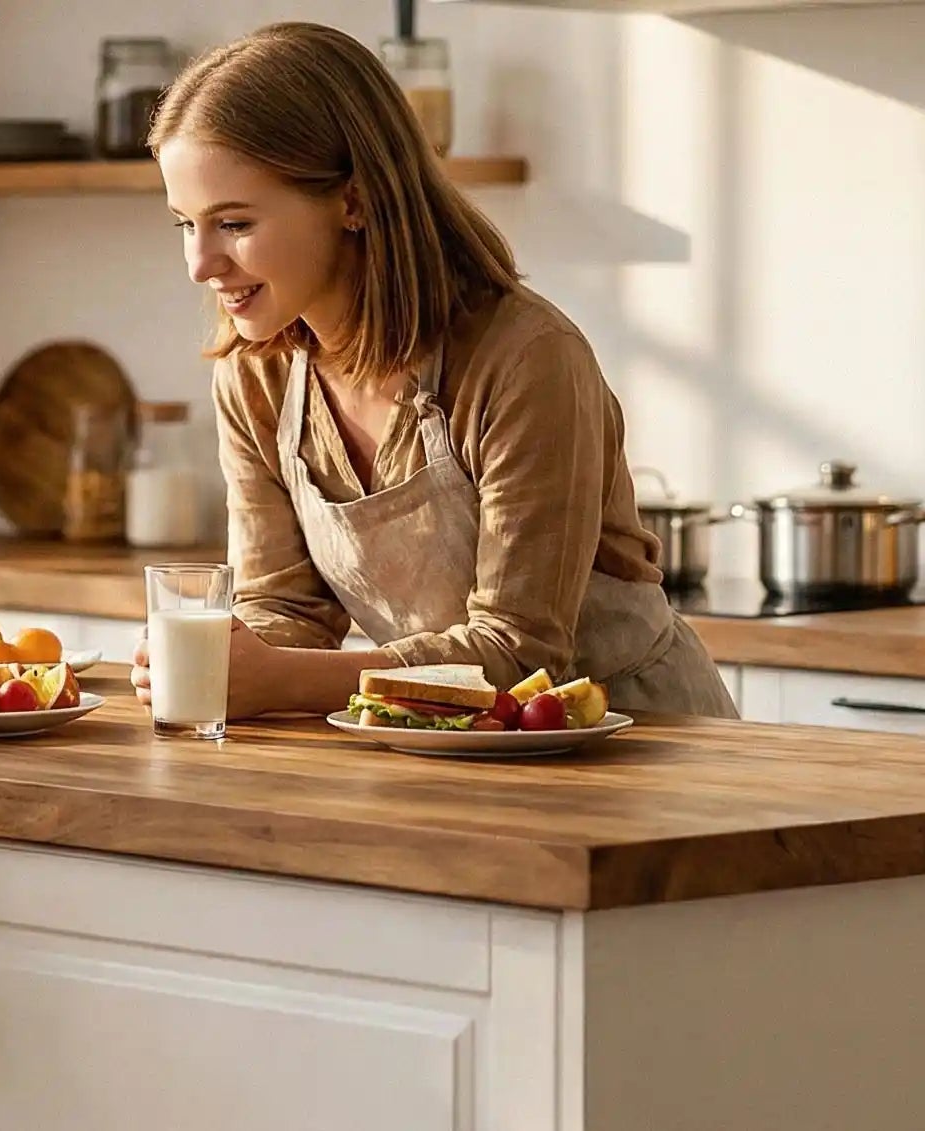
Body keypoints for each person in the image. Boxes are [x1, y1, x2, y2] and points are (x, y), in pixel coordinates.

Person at [139, 22, 738, 720]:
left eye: (234, 224)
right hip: (441, 742)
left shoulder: (527, 359)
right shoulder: (258, 375)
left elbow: (520, 652)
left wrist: (281, 682)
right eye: (185, 224)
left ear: (354, 202)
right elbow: (285, 603)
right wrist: (232, 658)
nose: (200, 264)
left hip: (638, 742)